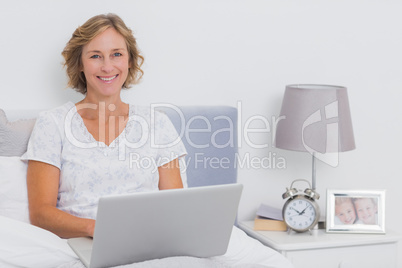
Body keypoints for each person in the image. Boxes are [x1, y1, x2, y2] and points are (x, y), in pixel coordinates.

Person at [24, 13, 187, 239]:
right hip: (83, 244)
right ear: (80, 63)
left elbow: (176, 208)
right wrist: (95, 228)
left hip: (149, 242)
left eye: (116, 54)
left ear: (129, 61)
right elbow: (41, 214)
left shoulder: (157, 123)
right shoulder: (53, 124)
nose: (107, 66)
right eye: (95, 56)